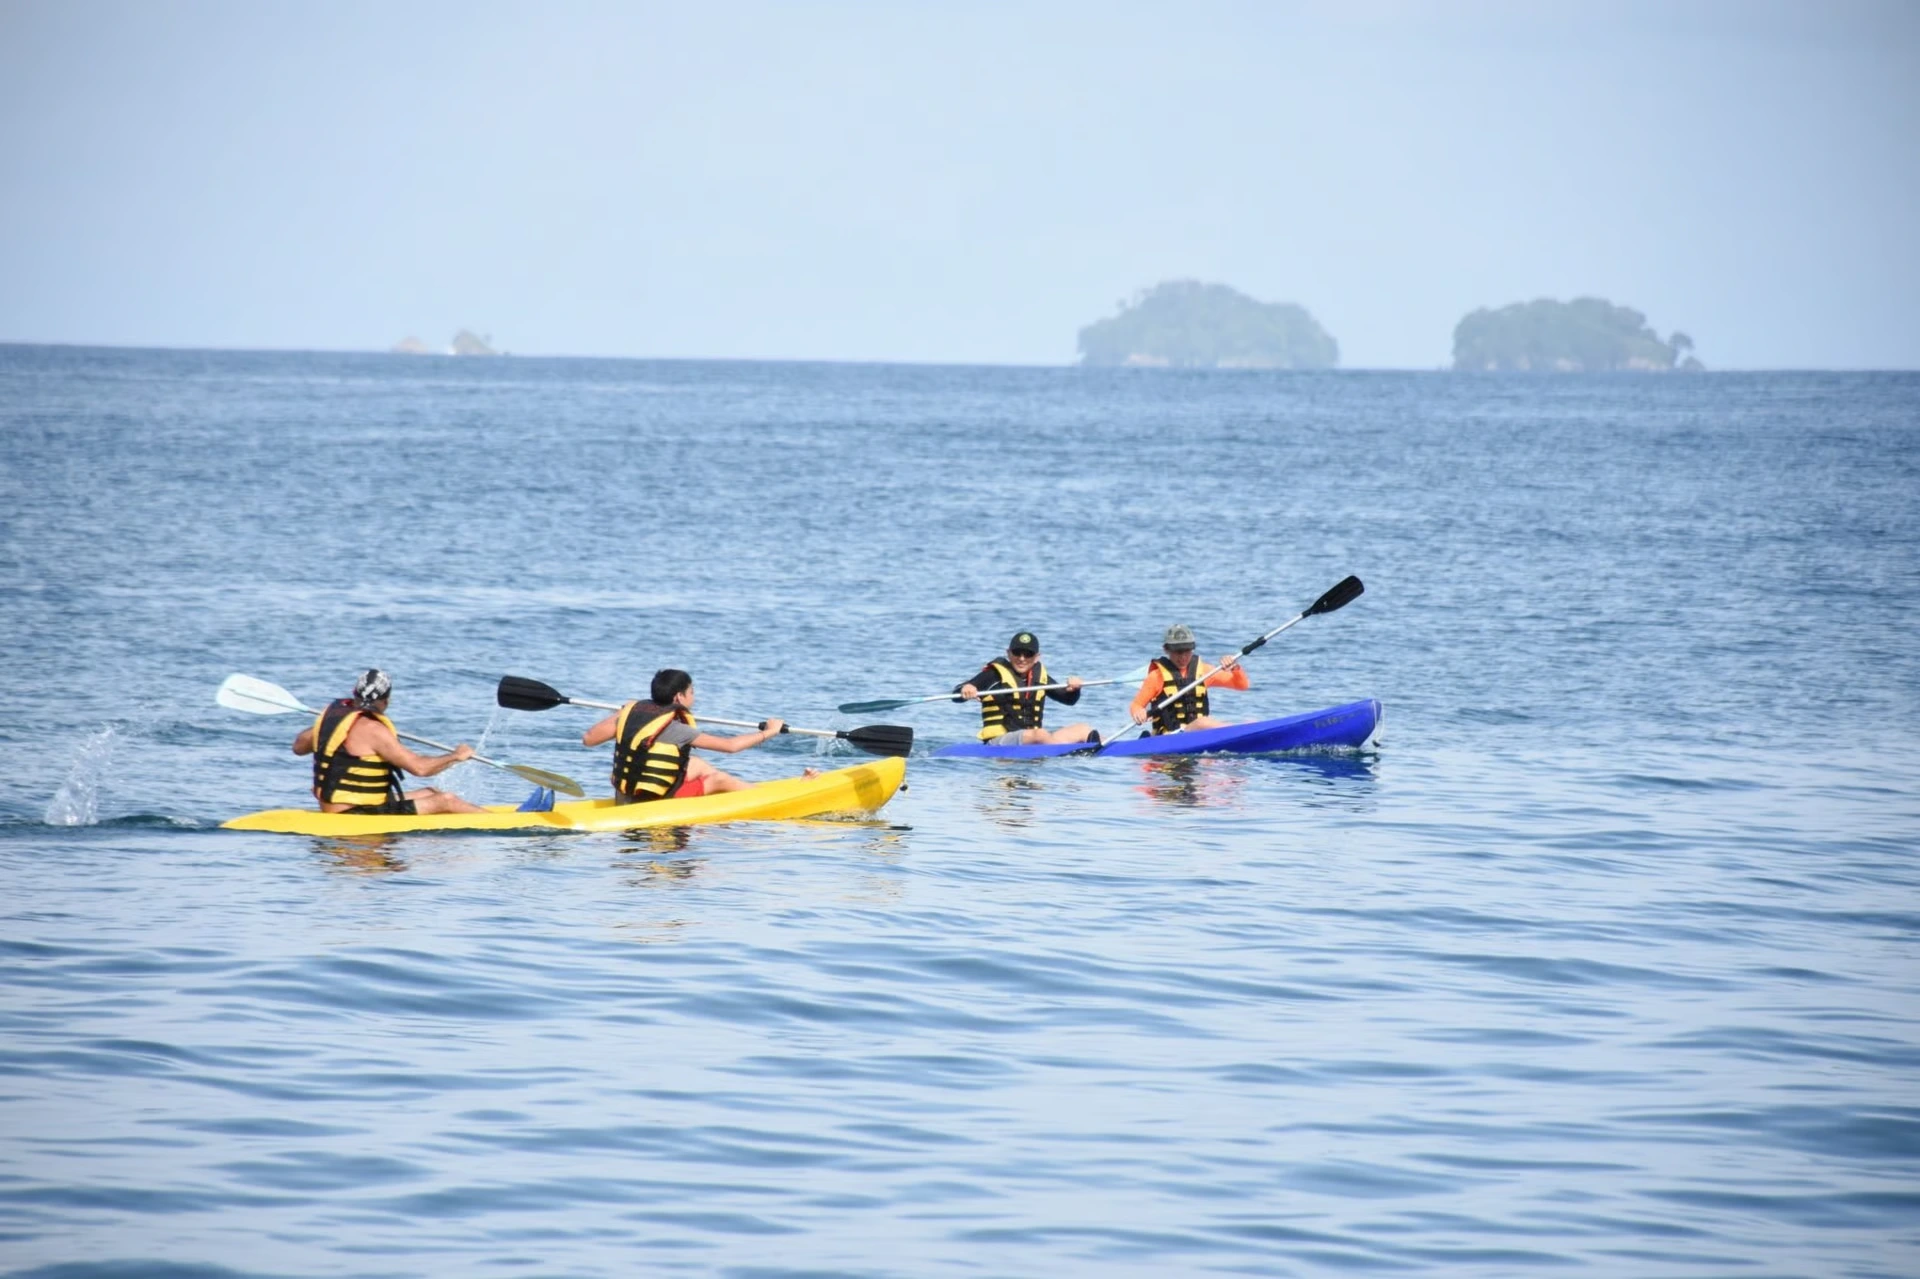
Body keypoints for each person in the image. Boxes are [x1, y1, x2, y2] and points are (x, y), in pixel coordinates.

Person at [292, 669, 485, 815]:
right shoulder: (374, 730)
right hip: (354, 812)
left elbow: (298, 748)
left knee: (431, 792)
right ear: (386, 701)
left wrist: (325, 723)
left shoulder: (331, 719)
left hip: (336, 804)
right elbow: (420, 769)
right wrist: (456, 756)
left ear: (354, 693)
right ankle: (500, 824)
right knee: (446, 800)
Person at [581, 668, 789, 802]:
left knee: (696, 764)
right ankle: (769, 799)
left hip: (624, 794)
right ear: (679, 697)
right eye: (692, 692)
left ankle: (736, 793)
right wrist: (769, 732)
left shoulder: (629, 716)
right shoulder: (677, 730)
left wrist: (623, 712)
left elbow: (589, 739)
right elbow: (730, 746)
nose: (693, 697)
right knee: (719, 779)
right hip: (653, 801)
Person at [955, 630, 1097, 746]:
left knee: (1082, 729)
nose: (1022, 658)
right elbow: (957, 695)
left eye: (1028, 654)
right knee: (1040, 734)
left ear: (1037, 657)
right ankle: (1064, 751)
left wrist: (1075, 689)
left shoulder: (1040, 678)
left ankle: (1100, 747)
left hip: (1033, 739)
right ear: (1008, 653)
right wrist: (966, 688)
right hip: (999, 742)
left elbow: (1069, 700)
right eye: (1017, 653)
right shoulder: (993, 675)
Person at [1129, 624, 1250, 734]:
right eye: (1178, 652)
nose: (1183, 657)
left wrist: (1235, 668)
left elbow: (1242, 685)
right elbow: (1136, 705)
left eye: (1187, 651)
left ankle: (1243, 730)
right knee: (1203, 722)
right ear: (1166, 649)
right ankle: (1241, 731)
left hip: (1197, 734)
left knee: (1207, 726)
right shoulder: (1156, 677)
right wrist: (1138, 712)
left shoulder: (1204, 671)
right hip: (1169, 737)